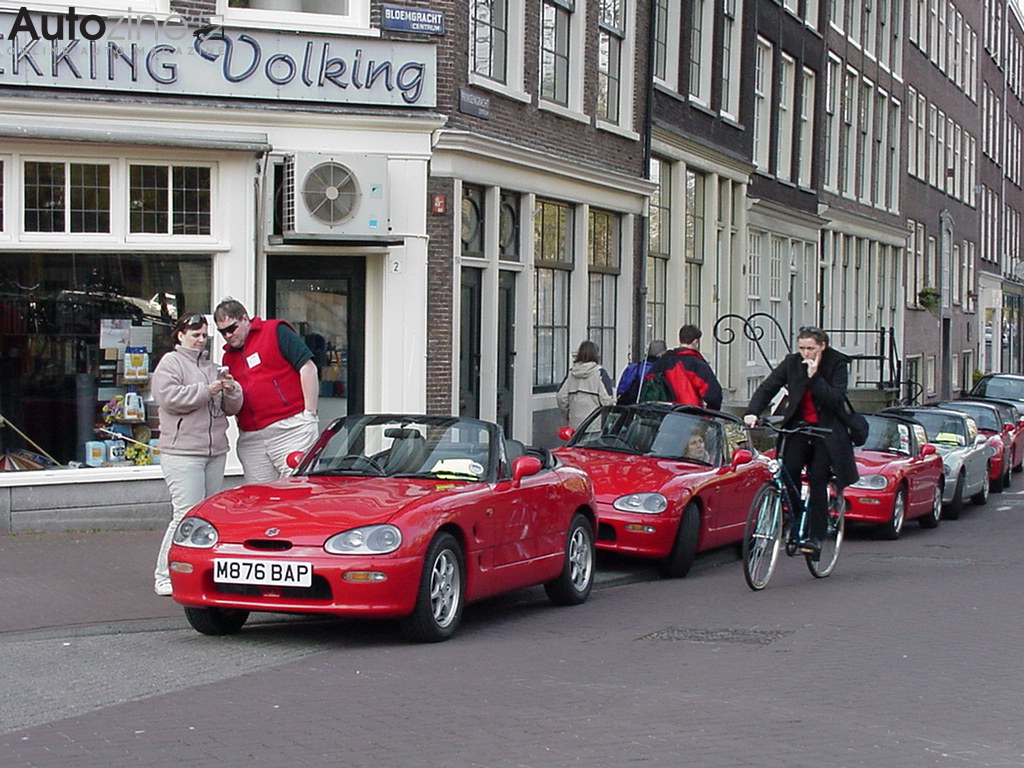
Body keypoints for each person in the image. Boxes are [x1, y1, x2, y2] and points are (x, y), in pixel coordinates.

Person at [743, 326, 858, 560]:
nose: (806, 353)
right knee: (789, 470)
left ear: (823, 346)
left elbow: (835, 399)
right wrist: (753, 411)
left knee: (818, 478)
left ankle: (816, 537)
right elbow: (769, 386)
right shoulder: (792, 363)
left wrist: (815, 377)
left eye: (811, 348)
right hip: (799, 427)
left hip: (827, 431)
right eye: (802, 348)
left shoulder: (836, 364)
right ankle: (795, 523)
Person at [151, 312, 243, 596]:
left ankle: (199, 573)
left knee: (207, 516)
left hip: (215, 451)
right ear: (180, 336)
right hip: (182, 453)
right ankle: (164, 574)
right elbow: (169, 399)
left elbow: (233, 408)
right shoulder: (170, 363)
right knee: (185, 514)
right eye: (195, 335)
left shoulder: (214, 367)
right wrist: (206, 390)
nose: (201, 340)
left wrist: (232, 389)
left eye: (204, 336)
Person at [214, 299, 320, 484]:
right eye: (222, 332)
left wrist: (309, 413)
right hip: (252, 437)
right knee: (261, 496)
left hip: (291, 429)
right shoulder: (228, 357)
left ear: (245, 319)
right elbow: (233, 405)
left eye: (232, 328)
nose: (228, 335)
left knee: (299, 489)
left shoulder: (275, 331)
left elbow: (308, 367)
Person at [646, 324, 723, 409]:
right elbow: (713, 395)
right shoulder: (697, 364)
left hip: (665, 411)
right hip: (689, 412)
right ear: (695, 342)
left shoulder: (664, 360)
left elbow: (650, 382)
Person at [556, 340, 615, 429]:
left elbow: (561, 397)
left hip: (575, 424)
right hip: (594, 424)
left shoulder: (571, 373)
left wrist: (568, 413)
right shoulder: (600, 373)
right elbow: (606, 401)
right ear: (596, 355)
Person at [616, 340, 667, 405]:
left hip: (631, 408)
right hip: (656, 409)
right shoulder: (664, 371)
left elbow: (620, 392)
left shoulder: (633, 368)